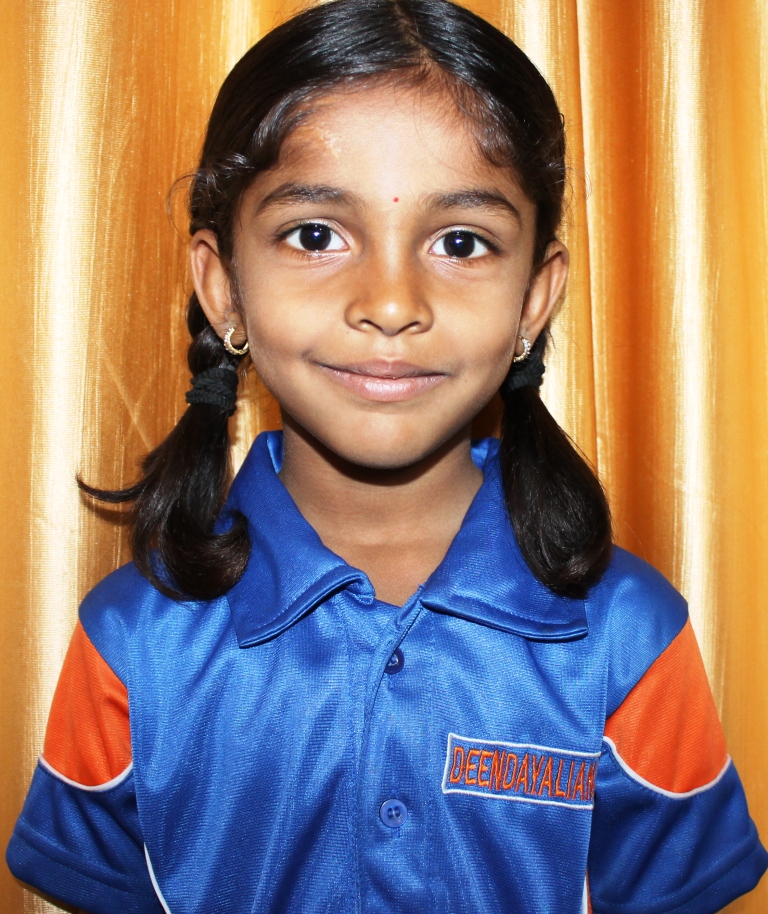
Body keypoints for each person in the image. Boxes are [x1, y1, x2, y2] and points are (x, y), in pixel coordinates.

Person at [6, 0, 767, 911]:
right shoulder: (133, 642)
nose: (392, 302)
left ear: (534, 300)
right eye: (315, 235)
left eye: (461, 243)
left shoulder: (629, 637)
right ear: (223, 288)